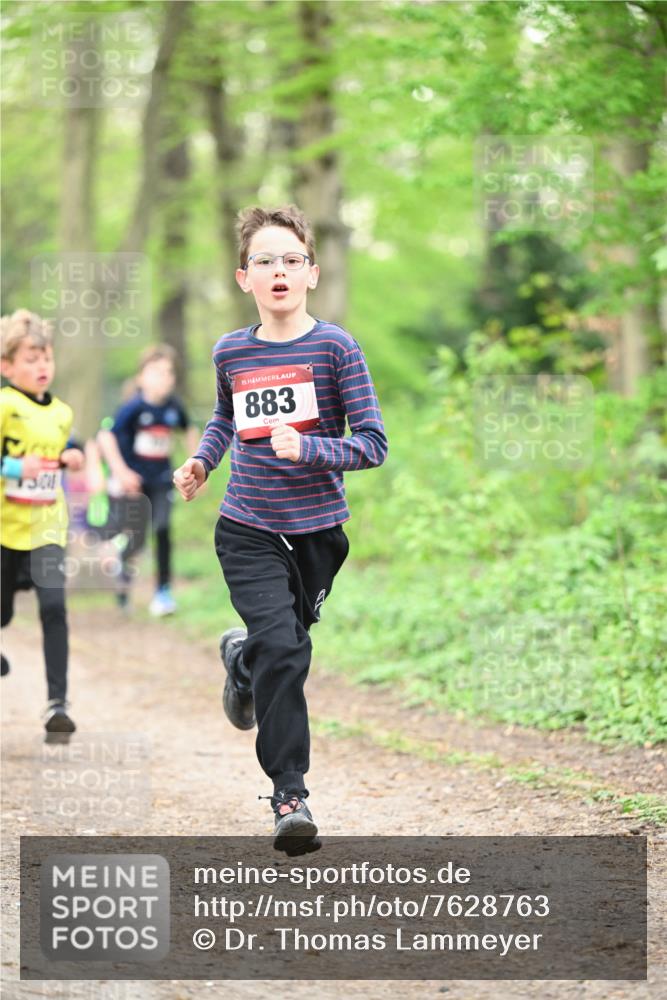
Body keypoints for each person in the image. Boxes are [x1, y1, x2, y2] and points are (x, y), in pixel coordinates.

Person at [172, 205, 388, 854]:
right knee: (287, 651)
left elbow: (373, 445)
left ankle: (241, 661)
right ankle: (289, 795)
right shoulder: (230, 351)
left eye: (290, 260)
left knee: (280, 648)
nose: (278, 271)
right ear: (244, 278)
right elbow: (224, 421)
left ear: (311, 274)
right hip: (247, 527)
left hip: (319, 535)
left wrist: (312, 450)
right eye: (263, 260)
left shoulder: (335, 348)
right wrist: (201, 461)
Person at [0, 309, 84, 741]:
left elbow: (60, 447)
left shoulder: (63, 412)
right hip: (3, 526)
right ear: (7, 366)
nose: (41, 367)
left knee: (54, 608)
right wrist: (15, 465)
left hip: (47, 524)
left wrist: (72, 454)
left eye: (46, 357)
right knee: (3, 612)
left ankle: (58, 703)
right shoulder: (4, 405)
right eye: (30, 359)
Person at [98, 344, 199, 616]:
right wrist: (121, 472)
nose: (163, 378)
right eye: (155, 372)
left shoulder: (173, 406)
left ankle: (163, 592)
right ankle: (122, 578)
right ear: (141, 377)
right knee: (137, 538)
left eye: (168, 373)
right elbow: (105, 438)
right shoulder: (132, 408)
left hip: (163, 479)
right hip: (134, 482)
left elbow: (190, 428)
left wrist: (196, 464)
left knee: (163, 528)